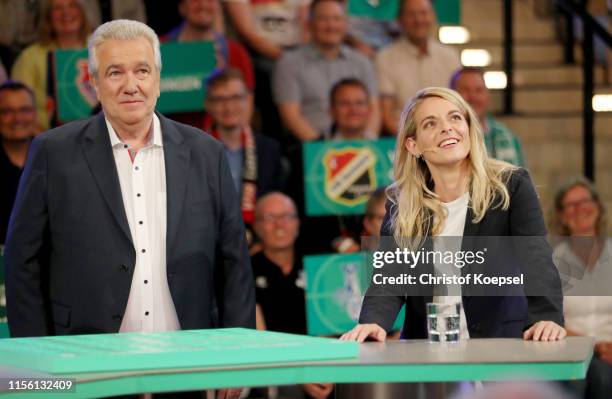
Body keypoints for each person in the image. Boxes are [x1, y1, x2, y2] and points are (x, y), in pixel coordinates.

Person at [5, 19, 255, 345]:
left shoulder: (206, 153)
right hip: (83, 359)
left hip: (189, 360)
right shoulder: (53, 153)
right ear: (94, 82)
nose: (131, 84)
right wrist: (35, 361)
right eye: (115, 72)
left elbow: (234, 263)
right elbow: (22, 262)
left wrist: (237, 354)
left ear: (158, 79)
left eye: (142, 70)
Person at [340, 86, 565, 343]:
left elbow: (535, 258)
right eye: (430, 124)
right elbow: (390, 279)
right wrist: (373, 322)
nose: (447, 128)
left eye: (455, 117)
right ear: (413, 145)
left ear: (469, 128)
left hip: (500, 341)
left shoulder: (510, 186)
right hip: (429, 350)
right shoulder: (402, 204)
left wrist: (547, 316)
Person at [252, 192, 333, 399]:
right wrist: (297, 374)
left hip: (325, 365)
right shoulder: (246, 271)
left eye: (287, 217)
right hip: (276, 371)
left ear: (297, 223)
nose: (280, 225)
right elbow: (259, 341)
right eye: (269, 218)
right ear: (256, 226)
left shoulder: (321, 268)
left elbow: (334, 325)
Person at [273, 0, 380, 141]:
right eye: (323, 19)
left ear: (345, 24)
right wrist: (322, 148)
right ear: (309, 24)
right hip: (311, 149)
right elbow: (291, 116)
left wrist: (368, 144)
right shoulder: (289, 63)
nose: (331, 26)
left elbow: (374, 110)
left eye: (337, 19)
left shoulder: (362, 62)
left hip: (362, 148)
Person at [205, 68, 284, 242]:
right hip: (210, 244)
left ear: (248, 100)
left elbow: (275, 203)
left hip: (260, 244)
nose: (229, 107)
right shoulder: (195, 151)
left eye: (236, 98)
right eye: (219, 100)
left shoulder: (269, 150)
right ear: (208, 105)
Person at [551, 178, 612, 399]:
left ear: (597, 206)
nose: (579, 209)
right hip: (571, 351)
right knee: (587, 378)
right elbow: (550, 319)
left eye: (585, 201)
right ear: (561, 215)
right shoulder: (553, 262)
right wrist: (595, 346)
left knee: (603, 375)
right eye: (571, 205)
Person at [376, 0, 460, 134]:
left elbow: (459, 105)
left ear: (433, 16)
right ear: (400, 20)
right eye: (411, 14)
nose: (418, 19)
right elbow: (386, 115)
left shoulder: (451, 57)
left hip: (447, 135)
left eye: (424, 13)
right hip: (404, 137)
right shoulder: (385, 57)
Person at [11, 0, 92, 130]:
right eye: (57, 8)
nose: (65, 12)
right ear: (48, 17)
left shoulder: (103, 48)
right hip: (46, 138)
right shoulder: (29, 57)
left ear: (82, 12)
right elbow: (18, 108)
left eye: (72, 5)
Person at [451, 67, 526, 167]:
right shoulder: (445, 139)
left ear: (487, 95)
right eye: (465, 90)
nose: (473, 96)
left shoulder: (508, 137)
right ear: (451, 96)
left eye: (479, 90)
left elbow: (523, 181)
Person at [0, 81, 38, 244]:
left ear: (35, 113)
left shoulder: (53, 158)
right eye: (7, 112)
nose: (17, 119)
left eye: (25, 110)